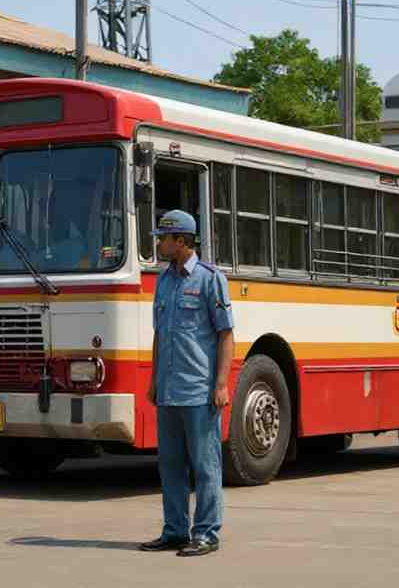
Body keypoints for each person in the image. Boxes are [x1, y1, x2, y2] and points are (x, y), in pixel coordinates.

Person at [140, 210, 234, 558]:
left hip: (198, 390)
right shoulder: (163, 281)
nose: (159, 244)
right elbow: (159, 334)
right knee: (171, 464)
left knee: (205, 465)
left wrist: (221, 384)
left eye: (163, 239)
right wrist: (153, 380)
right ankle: (176, 530)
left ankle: (207, 533)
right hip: (168, 390)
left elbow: (226, 335)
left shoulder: (211, 279)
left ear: (182, 241)